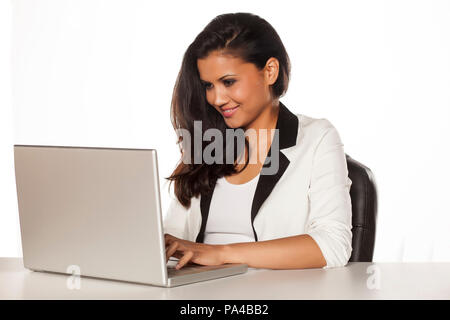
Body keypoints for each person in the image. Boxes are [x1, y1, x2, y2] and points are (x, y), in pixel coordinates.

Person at [163, 12, 353, 270]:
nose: (217, 99)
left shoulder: (317, 138)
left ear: (270, 71)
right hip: (199, 292)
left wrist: (220, 254)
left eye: (228, 82)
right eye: (208, 86)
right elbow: (174, 238)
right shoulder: (208, 141)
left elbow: (332, 245)